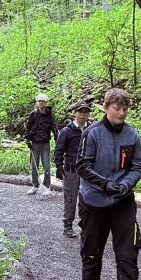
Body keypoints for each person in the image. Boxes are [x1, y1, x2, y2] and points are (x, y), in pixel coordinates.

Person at [75, 88, 141, 280]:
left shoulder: (132, 135)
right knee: (92, 248)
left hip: (123, 201)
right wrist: (104, 184)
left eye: (125, 109)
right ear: (106, 108)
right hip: (94, 200)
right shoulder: (92, 133)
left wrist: (126, 184)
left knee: (128, 249)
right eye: (116, 108)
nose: (121, 113)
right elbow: (82, 166)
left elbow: (137, 166)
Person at [54, 101, 91, 238]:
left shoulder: (91, 130)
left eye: (86, 112)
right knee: (70, 198)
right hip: (71, 170)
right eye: (80, 112)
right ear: (74, 113)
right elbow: (59, 150)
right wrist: (59, 166)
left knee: (87, 199)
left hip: (88, 171)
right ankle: (68, 226)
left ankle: (85, 226)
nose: (83, 115)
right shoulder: (67, 131)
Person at [24, 93, 58, 197]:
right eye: (39, 101)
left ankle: (47, 186)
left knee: (47, 167)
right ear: (37, 102)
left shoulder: (50, 115)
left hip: (45, 144)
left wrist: (58, 141)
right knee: (34, 166)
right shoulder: (33, 114)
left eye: (43, 101)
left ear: (46, 102)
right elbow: (27, 127)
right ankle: (35, 185)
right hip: (34, 143)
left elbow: (54, 128)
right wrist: (27, 139)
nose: (41, 103)